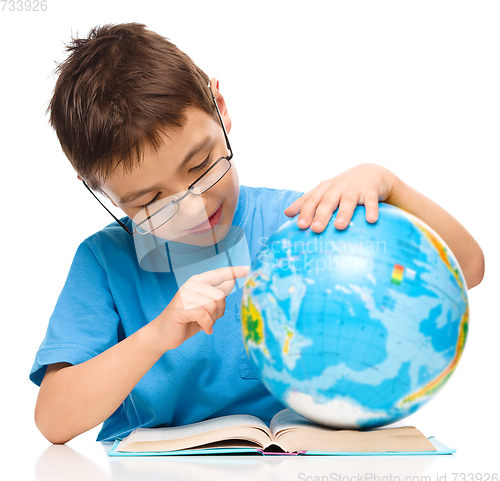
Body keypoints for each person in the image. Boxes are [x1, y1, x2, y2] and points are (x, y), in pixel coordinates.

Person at [30, 23, 484, 445]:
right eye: (150, 201)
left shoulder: (304, 221)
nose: (193, 208)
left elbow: (468, 269)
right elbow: (53, 421)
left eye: (201, 165)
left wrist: (391, 184)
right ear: (98, 189)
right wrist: (157, 335)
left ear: (220, 109)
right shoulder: (104, 262)